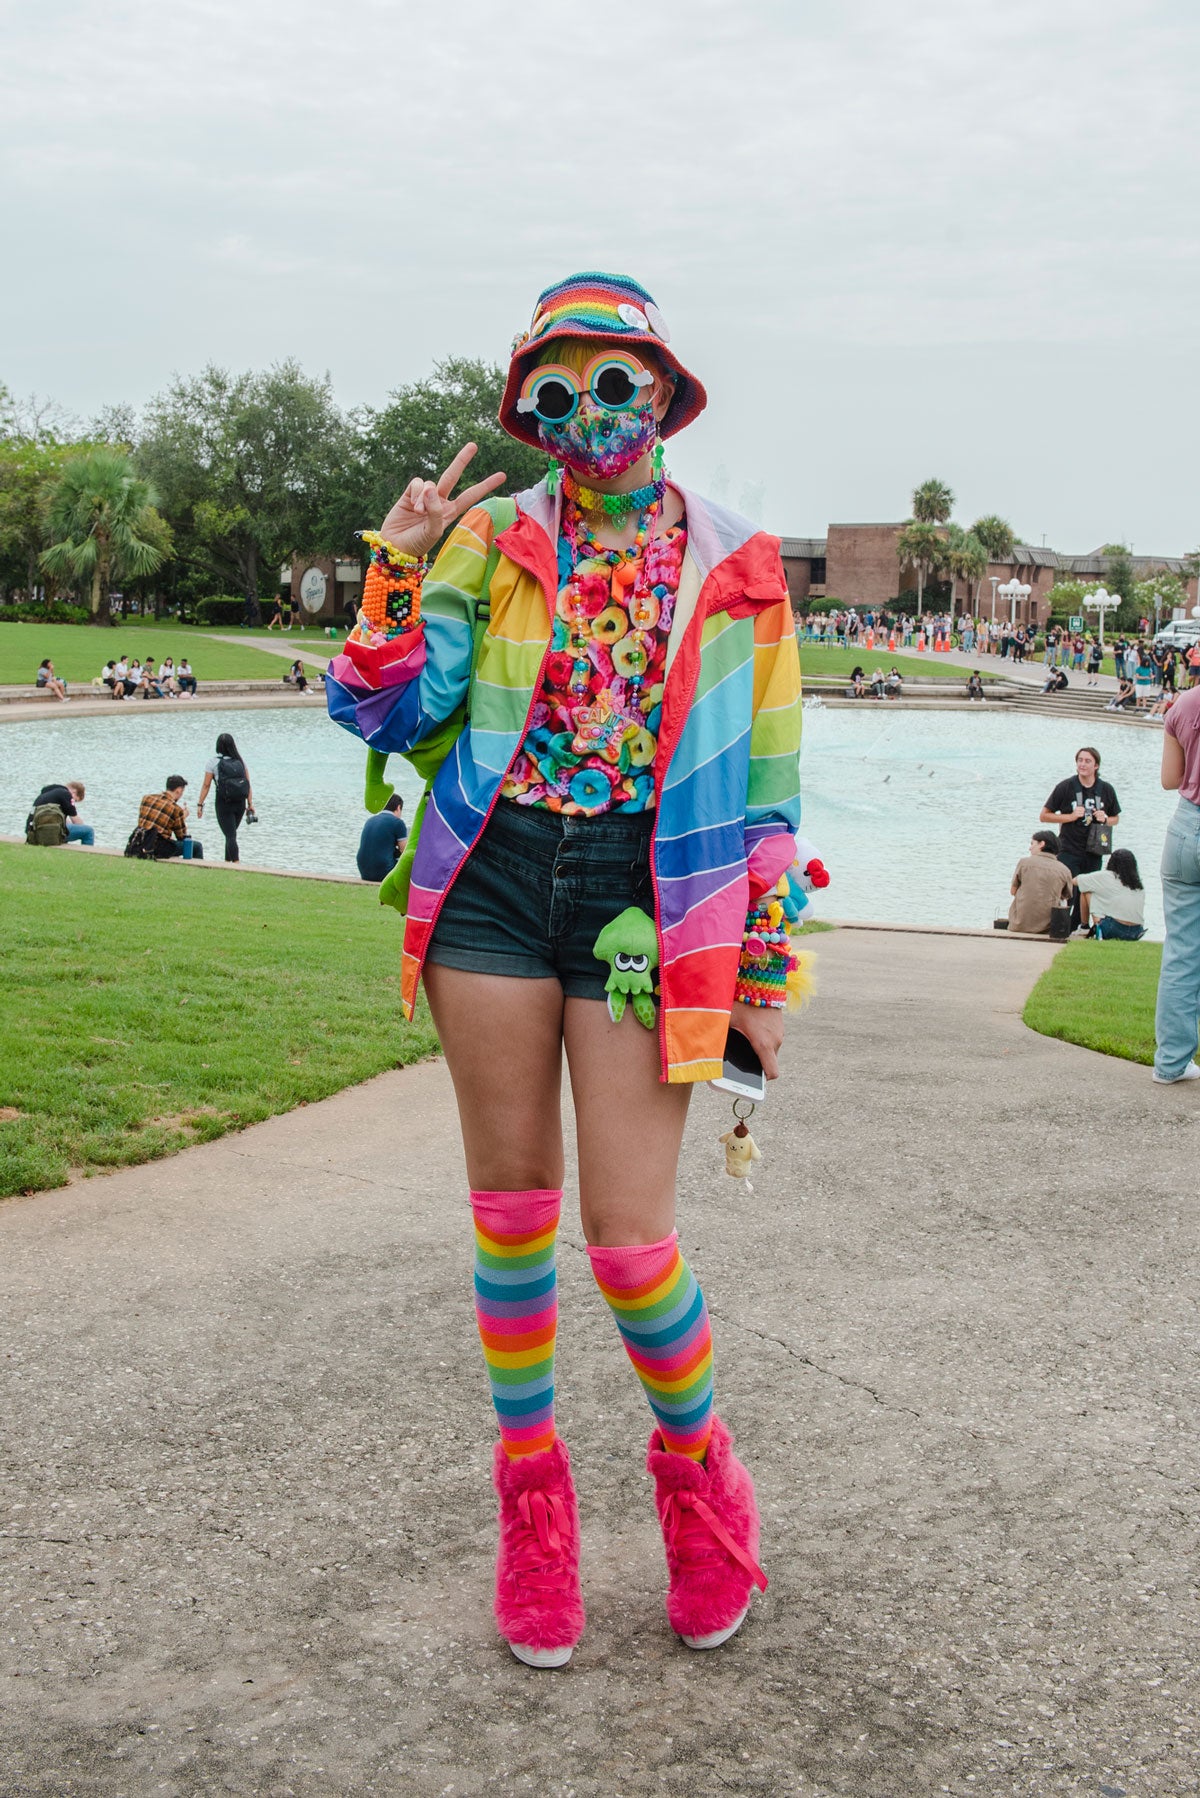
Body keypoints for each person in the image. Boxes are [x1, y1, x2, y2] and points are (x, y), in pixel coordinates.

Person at [325, 271, 801, 1669]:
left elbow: (768, 799)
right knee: (514, 1216)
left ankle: (704, 1484)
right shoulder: (489, 547)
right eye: (553, 391)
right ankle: (534, 1512)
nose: (584, 414)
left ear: (658, 386)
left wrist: (760, 975)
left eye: (610, 382)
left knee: (632, 1243)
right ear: (528, 411)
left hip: (646, 904)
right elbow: (387, 705)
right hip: (491, 882)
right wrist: (402, 562)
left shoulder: (742, 565)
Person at [1153, 684, 1200, 1081]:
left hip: (1185, 829)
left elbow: (1171, 779)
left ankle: (1170, 1063)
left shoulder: (1184, 703)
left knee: (1181, 953)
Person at [1040, 747, 1121, 926]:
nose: (1082, 764)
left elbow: (1116, 818)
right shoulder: (1066, 786)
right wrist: (1070, 816)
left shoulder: (1106, 789)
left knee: (1088, 890)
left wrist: (1106, 818)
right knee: (1068, 889)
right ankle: (1062, 925)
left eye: (1087, 761)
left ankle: (1082, 926)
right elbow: (1044, 815)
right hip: (1069, 848)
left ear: (1096, 766)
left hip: (1094, 849)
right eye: (1080, 760)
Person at [196, 732, 255, 863]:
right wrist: (250, 804)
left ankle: (236, 863)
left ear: (218, 746)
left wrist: (200, 804)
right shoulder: (240, 762)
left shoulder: (213, 762)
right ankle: (228, 863)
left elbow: (206, 785)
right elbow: (248, 784)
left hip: (224, 803)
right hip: (240, 804)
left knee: (230, 835)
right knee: (230, 835)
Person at [1008, 830, 1073, 934]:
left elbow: (1013, 891)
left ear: (1042, 844)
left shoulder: (1024, 862)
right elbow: (1066, 895)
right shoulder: (1064, 870)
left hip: (1018, 924)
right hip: (1047, 928)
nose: (1030, 848)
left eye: (1032, 843)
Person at [1074, 849, 1146, 940]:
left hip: (1113, 929)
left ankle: (1084, 927)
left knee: (1086, 890)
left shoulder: (1107, 876)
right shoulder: (1138, 884)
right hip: (1137, 931)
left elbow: (1075, 881)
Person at [133, 776, 203, 859]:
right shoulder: (175, 809)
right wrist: (182, 817)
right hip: (157, 847)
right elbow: (181, 836)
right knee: (196, 846)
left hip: (138, 842)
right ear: (179, 790)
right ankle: (197, 870)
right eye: (182, 792)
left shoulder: (146, 798)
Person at [356, 795, 407, 881]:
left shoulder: (370, 820)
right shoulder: (398, 823)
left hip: (364, 872)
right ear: (398, 807)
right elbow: (404, 850)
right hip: (384, 872)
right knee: (407, 856)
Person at [25, 779, 90, 845]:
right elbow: (75, 820)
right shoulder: (66, 794)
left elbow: (64, 820)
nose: (73, 801)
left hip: (32, 833)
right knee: (88, 831)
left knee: (66, 827)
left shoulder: (48, 793)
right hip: (48, 833)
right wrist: (82, 828)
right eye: (75, 800)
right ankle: (88, 854)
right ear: (74, 792)